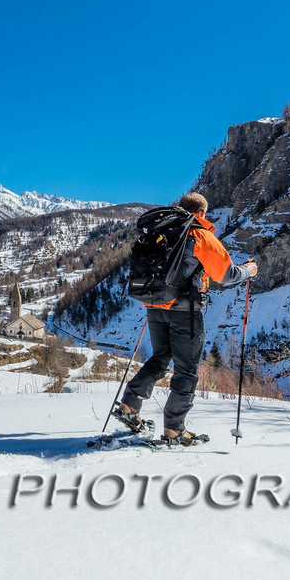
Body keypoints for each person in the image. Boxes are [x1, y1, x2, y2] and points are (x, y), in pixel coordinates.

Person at [116, 191, 257, 445]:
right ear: (202, 213)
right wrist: (248, 270)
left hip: (154, 304)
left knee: (160, 358)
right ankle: (174, 429)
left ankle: (129, 404)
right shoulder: (200, 234)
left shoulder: (163, 230)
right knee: (187, 370)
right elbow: (226, 275)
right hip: (185, 311)